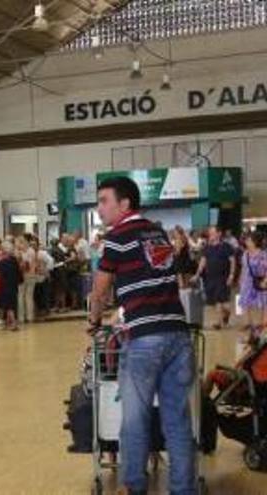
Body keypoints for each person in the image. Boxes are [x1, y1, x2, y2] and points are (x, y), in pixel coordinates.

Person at [89, 176, 195, 495]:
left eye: (104, 200)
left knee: (135, 420)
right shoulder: (156, 231)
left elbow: (100, 289)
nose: (99, 207)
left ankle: (134, 486)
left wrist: (94, 320)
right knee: (177, 422)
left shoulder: (117, 236)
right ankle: (183, 490)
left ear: (124, 204)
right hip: (178, 333)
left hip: (145, 338)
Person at [192, 226, 237, 330]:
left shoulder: (227, 246)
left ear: (219, 233)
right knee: (215, 302)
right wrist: (197, 275)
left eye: (213, 233)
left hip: (223, 278)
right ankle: (222, 318)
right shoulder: (206, 247)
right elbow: (203, 262)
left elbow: (232, 261)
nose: (211, 235)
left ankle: (221, 319)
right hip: (210, 278)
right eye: (209, 233)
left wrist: (231, 275)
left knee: (222, 302)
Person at [238, 231, 267, 334]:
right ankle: (248, 323)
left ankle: (263, 324)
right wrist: (241, 280)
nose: (247, 242)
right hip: (247, 281)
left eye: (249, 240)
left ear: (255, 242)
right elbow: (243, 268)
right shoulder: (245, 254)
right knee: (244, 302)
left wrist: (265, 281)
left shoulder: (263, 254)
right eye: (247, 240)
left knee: (264, 302)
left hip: (261, 280)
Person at [0, 241, 21, 331]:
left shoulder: (2, 262)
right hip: (13, 285)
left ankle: (14, 323)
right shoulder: (14, 260)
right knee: (11, 304)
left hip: (5, 286)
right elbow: (18, 274)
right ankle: (7, 323)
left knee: (8, 305)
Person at [16, 236, 38, 325]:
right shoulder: (31, 251)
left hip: (21, 275)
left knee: (20, 296)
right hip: (31, 274)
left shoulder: (18, 252)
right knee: (29, 296)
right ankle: (30, 317)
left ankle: (21, 317)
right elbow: (34, 263)